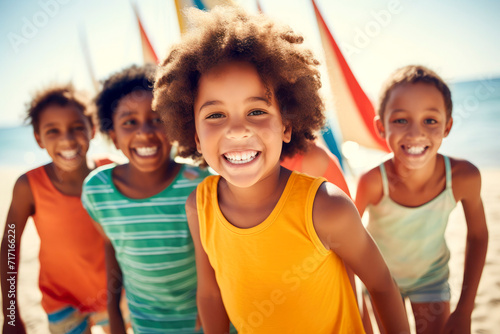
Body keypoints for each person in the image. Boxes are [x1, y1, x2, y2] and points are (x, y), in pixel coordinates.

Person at [153, 7, 410, 334]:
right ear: (195, 137)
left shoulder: (327, 208)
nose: (237, 130)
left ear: (286, 126)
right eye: (215, 115)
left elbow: (382, 286)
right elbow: (210, 292)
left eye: (256, 110)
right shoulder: (198, 207)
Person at [355, 65, 489, 334]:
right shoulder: (372, 182)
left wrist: (464, 309)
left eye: (430, 120)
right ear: (381, 127)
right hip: (381, 281)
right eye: (401, 120)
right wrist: (359, 311)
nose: (416, 134)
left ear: (447, 126)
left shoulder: (463, 177)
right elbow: (348, 246)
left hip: (431, 279)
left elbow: (478, 236)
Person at [81, 64, 210, 333]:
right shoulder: (98, 190)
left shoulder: (201, 183)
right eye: (129, 122)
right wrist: (115, 314)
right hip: (145, 325)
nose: (144, 132)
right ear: (113, 137)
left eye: (157, 119)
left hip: (207, 322)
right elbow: (112, 248)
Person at [1, 84, 108, 334]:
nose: (67, 139)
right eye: (53, 131)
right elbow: (10, 245)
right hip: (61, 301)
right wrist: (11, 313)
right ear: (38, 138)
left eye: (77, 128)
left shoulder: (110, 174)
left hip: (113, 295)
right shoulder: (29, 186)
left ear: (92, 129)